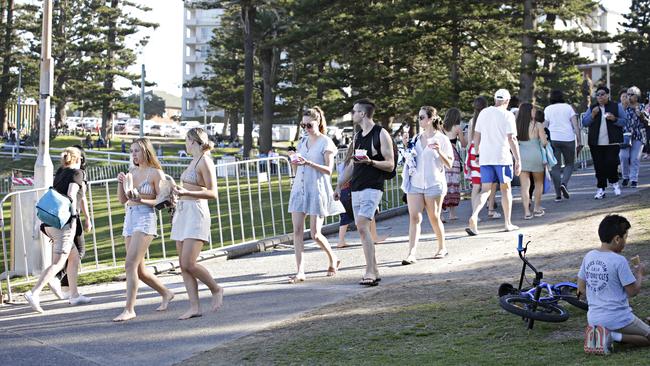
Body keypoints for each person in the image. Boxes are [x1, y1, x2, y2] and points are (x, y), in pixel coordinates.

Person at [24, 147, 93, 313]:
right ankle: (34, 292)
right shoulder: (78, 174)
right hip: (64, 224)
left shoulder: (61, 172)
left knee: (74, 256)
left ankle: (74, 295)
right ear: (79, 159)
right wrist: (75, 220)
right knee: (58, 263)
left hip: (50, 221)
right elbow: (71, 195)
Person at [113, 138, 175, 322]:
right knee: (139, 270)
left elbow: (162, 201)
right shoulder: (131, 171)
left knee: (129, 264)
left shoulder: (156, 173)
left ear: (146, 152)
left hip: (145, 217)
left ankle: (129, 309)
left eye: (137, 151)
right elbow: (123, 200)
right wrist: (120, 183)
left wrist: (141, 200)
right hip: (130, 216)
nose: (133, 154)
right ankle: (166, 292)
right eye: (131, 151)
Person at [335, 98, 394, 286]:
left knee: (361, 226)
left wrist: (371, 162)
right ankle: (374, 269)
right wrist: (339, 185)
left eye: (354, 111)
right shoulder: (358, 136)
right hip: (356, 187)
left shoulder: (381, 133)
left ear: (363, 113)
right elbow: (352, 165)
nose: (352, 114)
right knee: (362, 229)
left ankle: (369, 271)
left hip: (373, 186)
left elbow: (390, 164)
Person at [171, 128, 223, 320]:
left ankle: (216, 289)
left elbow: (212, 193)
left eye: (186, 140)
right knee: (182, 265)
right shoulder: (193, 161)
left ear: (193, 141)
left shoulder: (205, 161)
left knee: (189, 262)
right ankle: (194, 307)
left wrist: (186, 193)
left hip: (196, 213)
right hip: (183, 212)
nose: (185, 143)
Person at [579, 214, 650, 354]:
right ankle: (612, 336)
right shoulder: (619, 260)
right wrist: (640, 274)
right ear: (617, 239)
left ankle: (604, 334)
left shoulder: (589, 256)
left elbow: (580, 289)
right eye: (626, 237)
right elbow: (633, 291)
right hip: (619, 318)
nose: (626, 241)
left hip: (594, 319)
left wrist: (598, 297)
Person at [287, 107, 343, 283]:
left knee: (315, 234)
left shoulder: (325, 142)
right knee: (296, 231)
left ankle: (333, 258)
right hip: (299, 188)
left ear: (318, 122)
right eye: (303, 125)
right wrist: (293, 160)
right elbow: (297, 168)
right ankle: (300, 271)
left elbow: (328, 170)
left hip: (317, 189)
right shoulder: (302, 141)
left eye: (309, 125)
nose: (306, 128)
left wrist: (308, 162)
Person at [400, 106, 453, 264]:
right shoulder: (416, 138)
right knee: (414, 217)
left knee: (434, 217)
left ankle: (442, 247)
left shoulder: (442, 139)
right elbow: (409, 159)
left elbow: (449, 164)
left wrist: (439, 151)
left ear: (430, 119)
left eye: (422, 117)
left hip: (434, 183)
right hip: (415, 183)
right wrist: (405, 145)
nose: (419, 120)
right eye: (419, 117)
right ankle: (411, 253)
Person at [466, 89, 521, 236]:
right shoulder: (508, 115)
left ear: (495, 99)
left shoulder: (484, 113)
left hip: (485, 156)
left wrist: (477, 153)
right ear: (507, 101)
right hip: (502, 156)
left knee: (485, 190)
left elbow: (476, 136)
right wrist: (518, 159)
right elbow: (512, 139)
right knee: (505, 189)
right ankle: (507, 223)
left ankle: (474, 215)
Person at [335, 144, 386, 248]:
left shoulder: (343, 164)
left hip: (344, 191)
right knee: (367, 215)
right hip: (352, 190)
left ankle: (341, 240)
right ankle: (373, 237)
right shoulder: (355, 163)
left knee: (345, 217)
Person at [581, 86, 625, 199]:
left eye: (602, 94)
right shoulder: (592, 108)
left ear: (607, 95)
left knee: (611, 163)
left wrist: (614, 119)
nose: (600, 96)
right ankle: (601, 189)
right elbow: (584, 122)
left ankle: (615, 183)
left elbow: (625, 122)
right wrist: (592, 115)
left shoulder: (616, 106)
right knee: (599, 167)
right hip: (596, 143)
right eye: (598, 94)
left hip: (612, 142)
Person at [544, 90, 583, 202]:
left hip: (553, 139)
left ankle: (558, 195)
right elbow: (575, 125)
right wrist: (579, 140)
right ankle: (564, 183)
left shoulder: (548, 109)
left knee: (555, 166)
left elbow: (545, 125)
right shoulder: (568, 108)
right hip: (568, 138)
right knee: (569, 164)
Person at [465, 97, 500, 221]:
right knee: (491, 183)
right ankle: (491, 210)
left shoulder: (471, 121)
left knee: (476, 185)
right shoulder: (488, 118)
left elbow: (469, 141)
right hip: (486, 151)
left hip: (473, 151)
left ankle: (475, 213)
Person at [516, 103, 548, 219]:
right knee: (539, 183)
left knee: (525, 186)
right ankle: (537, 208)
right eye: (533, 110)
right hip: (535, 155)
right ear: (529, 112)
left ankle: (526, 212)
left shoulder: (517, 125)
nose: (534, 112)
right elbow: (544, 142)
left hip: (522, 156)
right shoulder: (538, 125)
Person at [620, 86, 648, 188]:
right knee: (623, 156)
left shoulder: (641, 107)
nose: (629, 96)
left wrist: (640, 115)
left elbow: (647, 121)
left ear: (637, 96)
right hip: (625, 135)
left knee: (634, 158)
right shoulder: (622, 107)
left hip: (638, 136)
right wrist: (624, 106)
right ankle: (625, 177)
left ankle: (633, 179)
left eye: (631, 94)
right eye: (628, 94)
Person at [442, 108, 466, 222]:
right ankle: (452, 214)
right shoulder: (457, 128)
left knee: (443, 183)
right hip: (453, 157)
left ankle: (440, 214)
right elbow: (464, 143)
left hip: (442, 156)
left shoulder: (441, 128)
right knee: (453, 184)